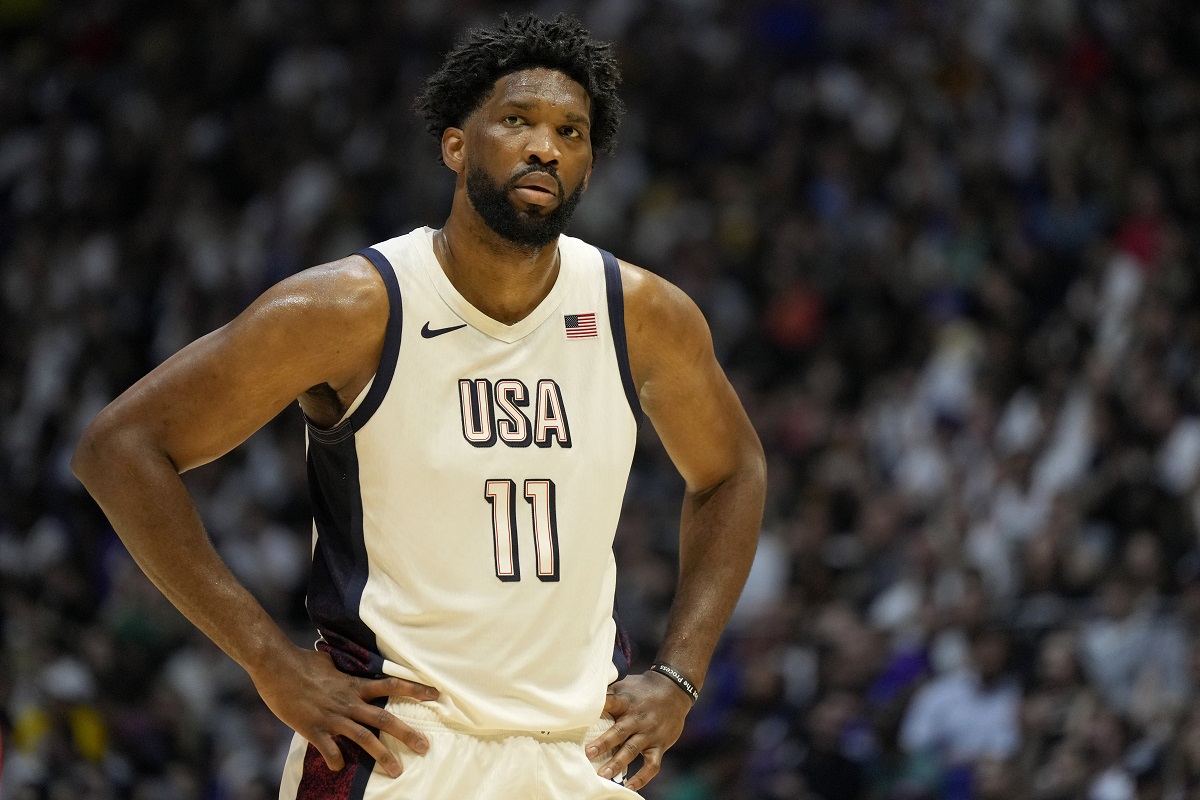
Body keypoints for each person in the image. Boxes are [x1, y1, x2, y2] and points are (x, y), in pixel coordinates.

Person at [70, 13, 766, 799]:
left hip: (580, 752)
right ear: (455, 146)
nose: (545, 146)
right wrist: (267, 658)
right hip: (400, 751)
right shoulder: (349, 308)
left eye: (571, 132)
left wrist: (679, 672)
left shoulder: (639, 312)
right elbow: (120, 447)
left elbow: (732, 469)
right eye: (517, 121)